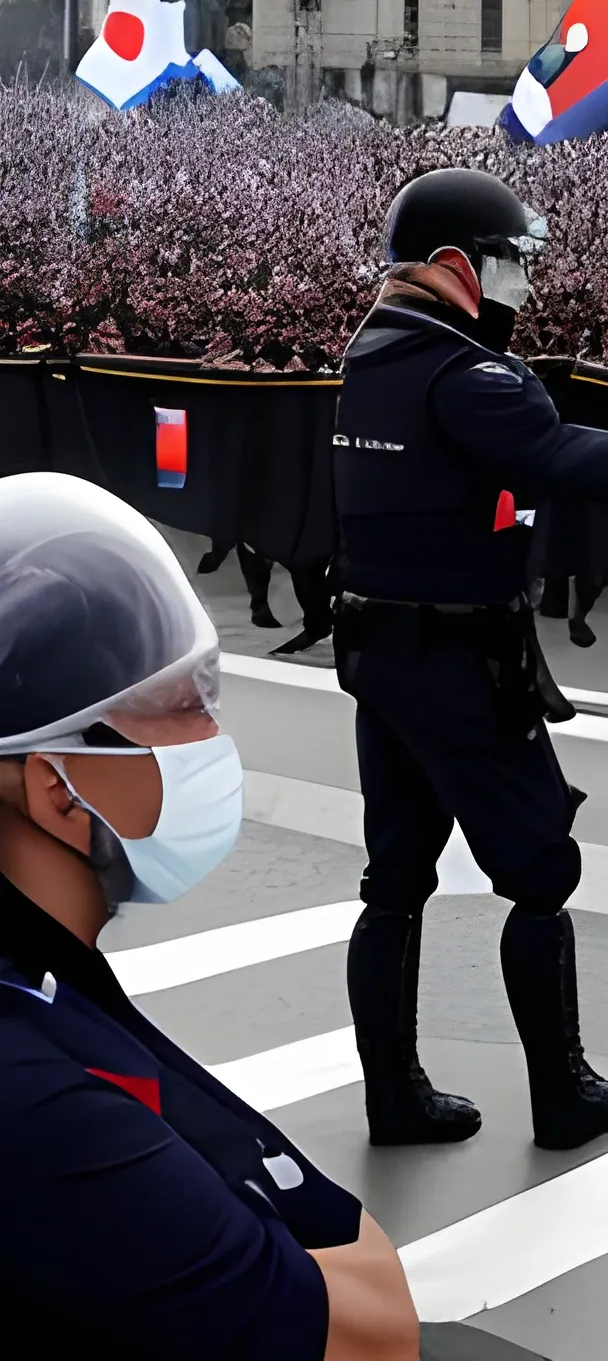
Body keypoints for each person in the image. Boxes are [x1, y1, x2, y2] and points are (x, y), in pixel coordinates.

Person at [333, 167, 608, 1152]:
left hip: (382, 653)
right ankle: (562, 1092)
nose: (524, 286)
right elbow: (556, 455)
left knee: (394, 880)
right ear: (460, 265)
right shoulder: (465, 375)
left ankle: (394, 1096)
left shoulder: (366, 357)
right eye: (513, 263)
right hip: (462, 660)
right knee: (540, 870)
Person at [0, 472, 418, 1360]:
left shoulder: (43, 979)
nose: (216, 739)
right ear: (58, 794)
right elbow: (370, 1329)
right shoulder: (34, 1098)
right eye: (186, 709)